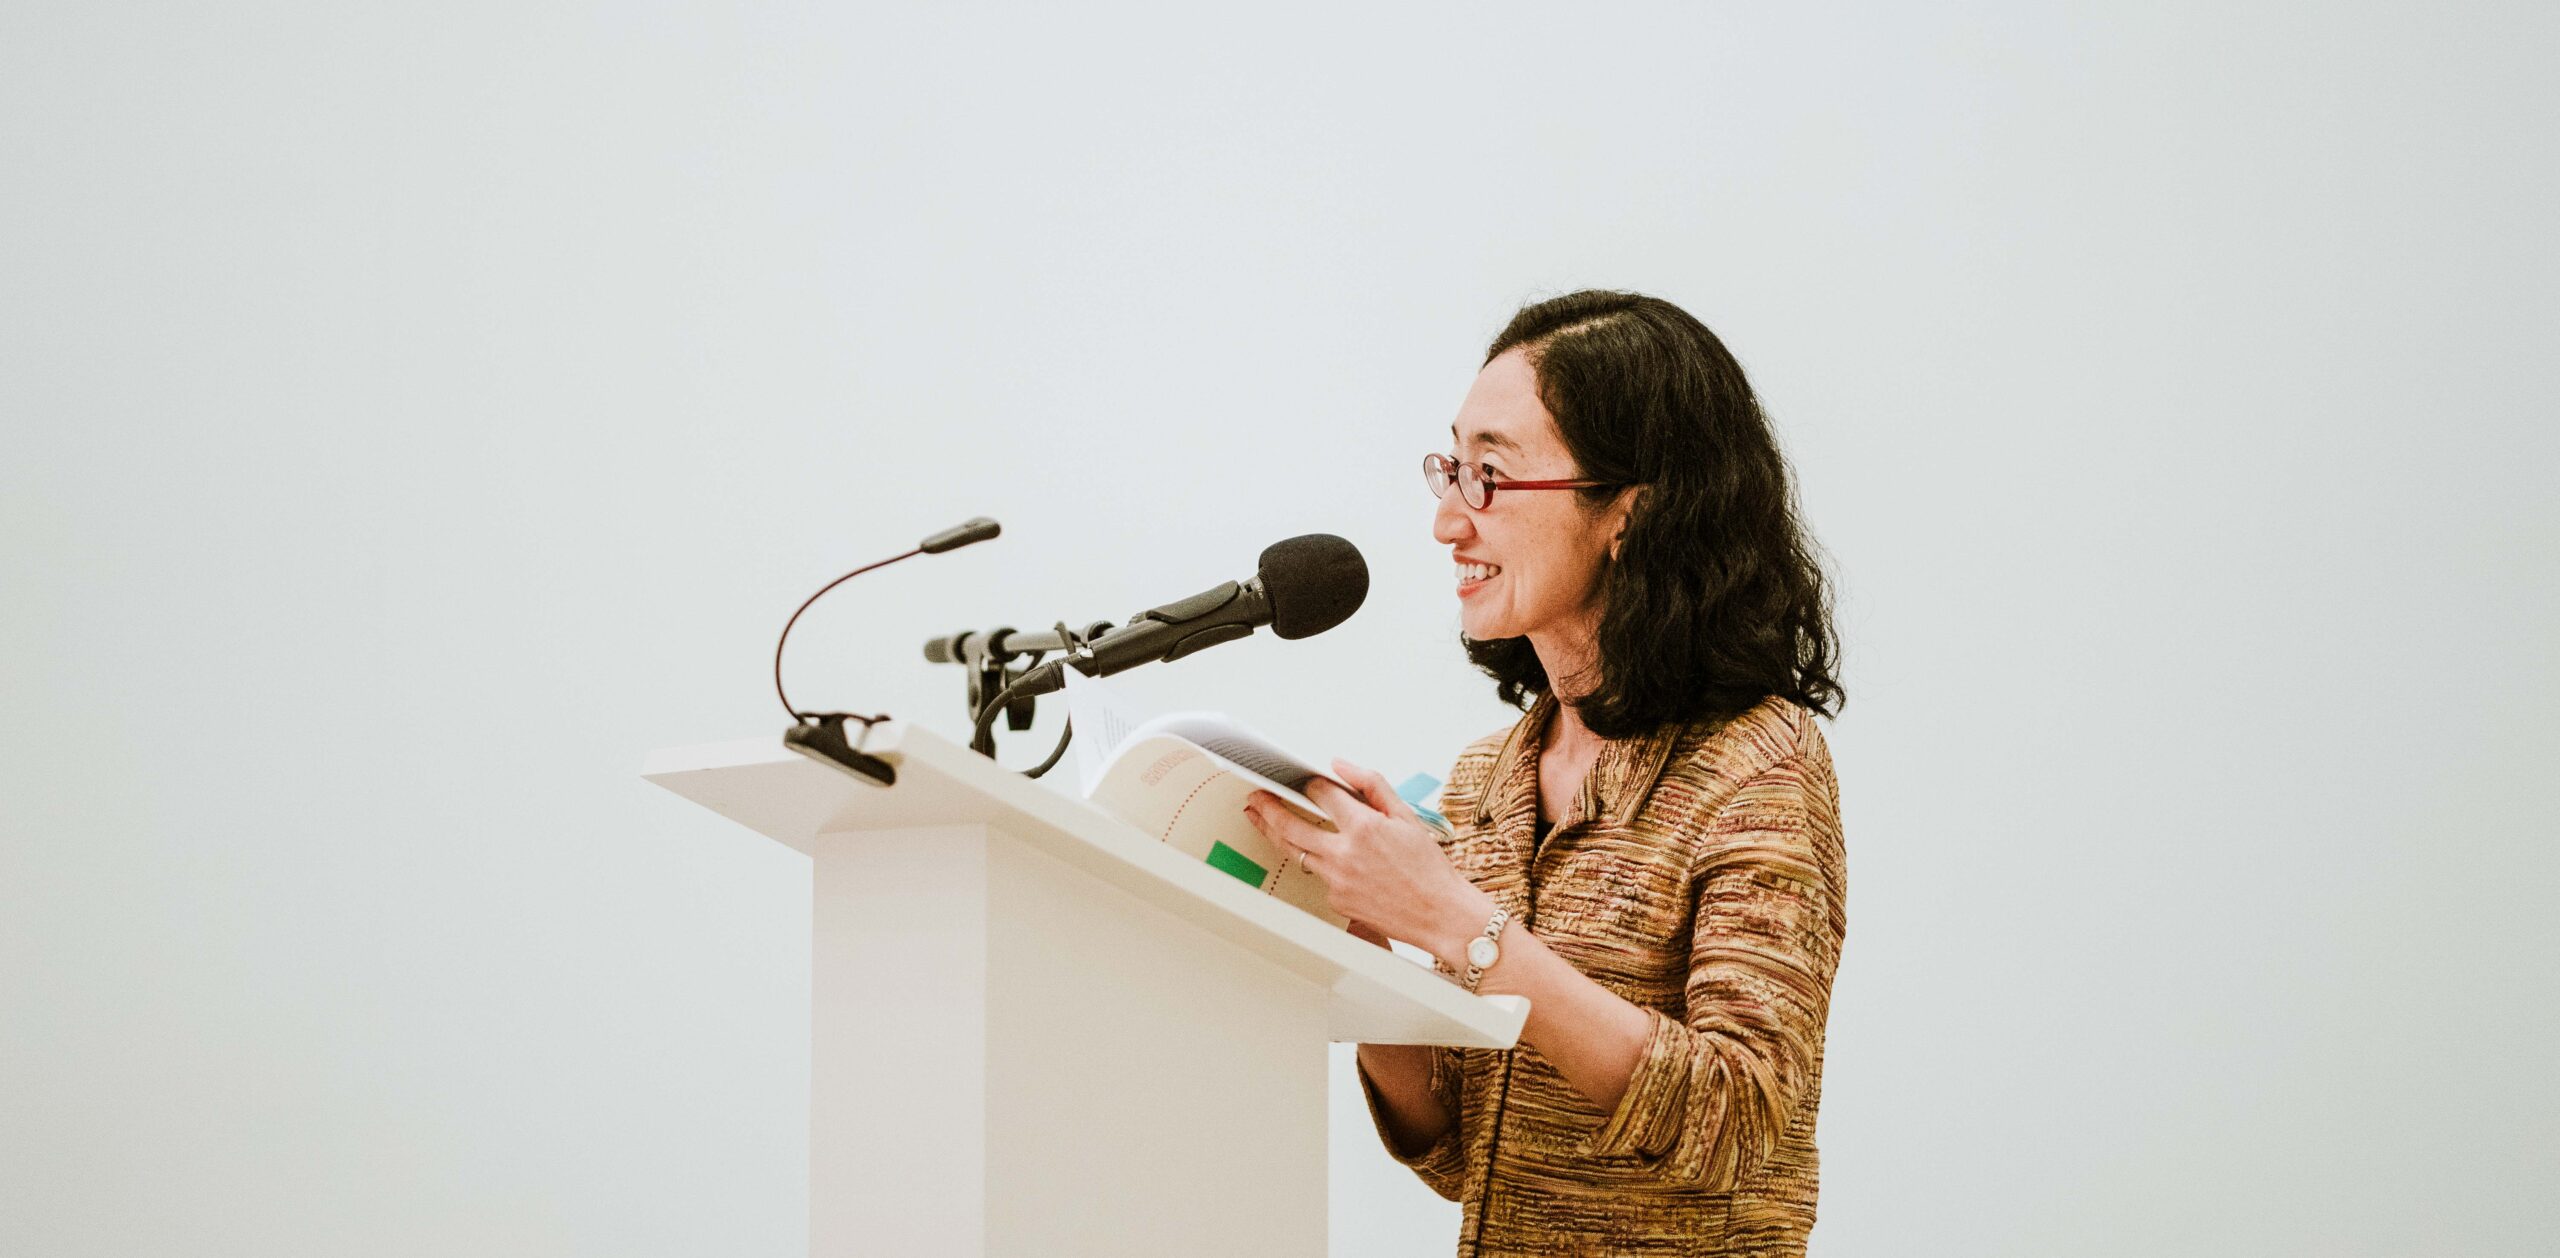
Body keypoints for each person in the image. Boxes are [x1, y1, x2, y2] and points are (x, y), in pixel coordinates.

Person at [1241, 290, 1847, 1257]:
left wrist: (1452, 919)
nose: (1448, 522)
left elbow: (1738, 1120)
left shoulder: (1759, 762)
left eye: (1490, 475)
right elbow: (1457, 1149)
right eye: (1451, 469)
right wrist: (1360, 932)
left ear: (1628, 513)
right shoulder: (1490, 782)